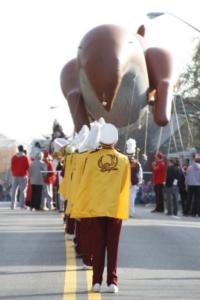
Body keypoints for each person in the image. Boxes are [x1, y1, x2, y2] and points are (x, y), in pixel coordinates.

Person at [71, 123, 130, 293]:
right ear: (116, 139)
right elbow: (124, 187)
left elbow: (85, 185)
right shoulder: (124, 159)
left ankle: (96, 282)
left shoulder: (90, 158)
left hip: (95, 208)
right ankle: (113, 282)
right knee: (113, 246)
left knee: (97, 246)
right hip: (114, 208)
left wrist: (79, 207)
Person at [126, 138, 143, 217]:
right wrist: (139, 182)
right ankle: (131, 212)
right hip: (133, 183)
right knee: (131, 198)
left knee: (127, 198)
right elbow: (140, 174)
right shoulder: (137, 162)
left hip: (126, 183)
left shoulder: (123, 161)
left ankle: (127, 211)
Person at [10, 145, 30, 209]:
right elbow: (28, 167)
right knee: (23, 191)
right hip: (23, 175)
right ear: (23, 149)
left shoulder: (13, 157)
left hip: (15, 175)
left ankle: (13, 205)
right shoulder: (25, 157)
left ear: (18, 149)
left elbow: (12, 167)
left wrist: (14, 172)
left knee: (14, 191)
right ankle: (22, 205)